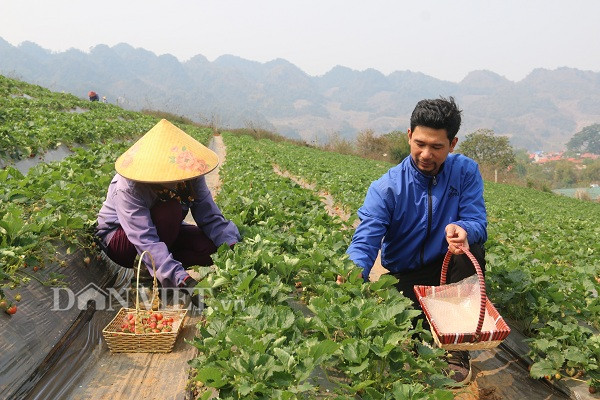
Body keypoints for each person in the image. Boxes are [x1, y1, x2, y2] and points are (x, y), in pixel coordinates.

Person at [346, 97, 487, 385]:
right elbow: (366, 239)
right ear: (409, 136)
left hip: (448, 269)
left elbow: (477, 220)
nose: (426, 153)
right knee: (413, 342)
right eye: (419, 143)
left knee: (470, 250)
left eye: (437, 147)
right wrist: (353, 270)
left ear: (452, 144)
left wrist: (464, 230)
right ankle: (431, 325)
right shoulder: (387, 187)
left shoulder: (466, 172)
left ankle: (456, 349)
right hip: (406, 276)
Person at [96, 119, 241, 307]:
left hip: (165, 233)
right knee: (169, 209)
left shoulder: (190, 173)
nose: (176, 179)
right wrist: (184, 281)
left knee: (210, 248)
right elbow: (145, 239)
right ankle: (147, 275)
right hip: (123, 241)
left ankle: (163, 268)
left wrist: (232, 247)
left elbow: (210, 215)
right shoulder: (129, 186)